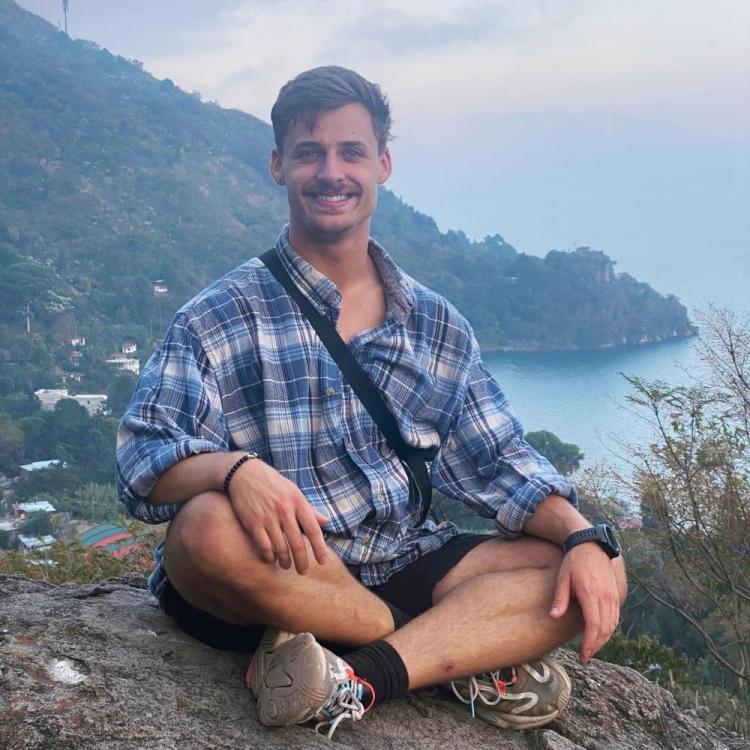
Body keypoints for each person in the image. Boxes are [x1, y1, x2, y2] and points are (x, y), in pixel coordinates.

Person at [116, 65, 627, 738]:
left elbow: (500, 462)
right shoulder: (219, 316)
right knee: (203, 531)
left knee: (587, 572)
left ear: (382, 164)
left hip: (402, 559)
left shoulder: (433, 324)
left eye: (351, 152)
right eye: (310, 153)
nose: (332, 172)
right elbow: (143, 460)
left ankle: (356, 677)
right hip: (284, 568)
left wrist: (585, 539)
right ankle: (437, 647)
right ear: (278, 165)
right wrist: (234, 471)